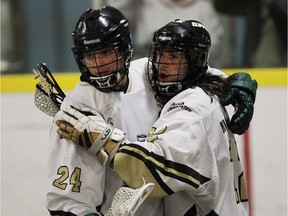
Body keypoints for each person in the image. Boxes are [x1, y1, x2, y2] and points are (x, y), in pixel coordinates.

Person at [47, 6, 256, 216]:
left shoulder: (152, 75)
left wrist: (229, 82)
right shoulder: (76, 112)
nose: (99, 64)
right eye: (89, 55)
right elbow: (67, 202)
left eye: (106, 52)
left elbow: (156, 170)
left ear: (124, 49)